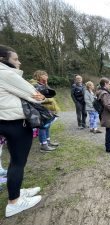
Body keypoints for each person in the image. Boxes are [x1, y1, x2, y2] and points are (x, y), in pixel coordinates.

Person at [0, 44, 43, 217]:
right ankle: (14, 202)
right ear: (3, 60)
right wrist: (42, 96)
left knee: (14, 161)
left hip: (4, 120)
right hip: (15, 122)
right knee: (18, 162)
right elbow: (36, 96)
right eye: (15, 59)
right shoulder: (6, 73)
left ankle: (16, 191)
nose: (19, 62)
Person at [33, 70, 59, 152]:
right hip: (41, 109)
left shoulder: (43, 85)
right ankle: (43, 145)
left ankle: (48, 142)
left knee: (47, 126)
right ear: (39, 76)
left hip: (48, 108)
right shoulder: (35, 85)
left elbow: (52, 93)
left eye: (47, 75)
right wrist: (48, 100)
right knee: (43, 127)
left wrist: (46, 84)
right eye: (44, 75)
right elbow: (37, 98)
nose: (46, 76)